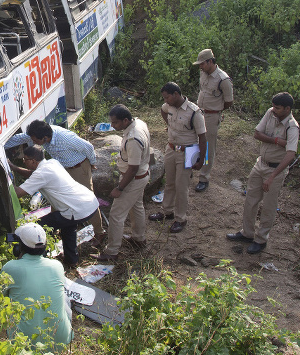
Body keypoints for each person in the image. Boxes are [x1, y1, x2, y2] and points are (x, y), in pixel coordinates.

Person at [6, 120, 104, 240]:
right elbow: (18, 139)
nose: (34, 142)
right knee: (56, 201)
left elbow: (88, 147)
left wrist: (92, 163)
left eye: (36, 141)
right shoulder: (38, 135)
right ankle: (55, 232)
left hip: (78, 166)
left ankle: (99, 232)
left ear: (45, 138)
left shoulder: (66, 138)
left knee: (84, 198)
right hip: (62, 167)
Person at [227, 92, 300, 254]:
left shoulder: (292, 127)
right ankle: (247, 233)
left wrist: (273, 176)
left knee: (269, 206)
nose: (274, 109)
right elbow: (257, 133)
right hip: (260, 164)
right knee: (250, 200)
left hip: (275, 170)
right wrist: (276, 141)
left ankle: (261, 239)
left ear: (287, 109)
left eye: (278, 108)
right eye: (273, 106)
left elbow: (290, 154)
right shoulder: (270, 113)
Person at [14, 146, 100, 266]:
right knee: (68, 227)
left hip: (77, 209)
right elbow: (32, 174)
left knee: (37, 228)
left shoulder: (41, 173)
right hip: (89, 202)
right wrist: (13, 167)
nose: (24, 161)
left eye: (25, 159)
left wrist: (7, 180)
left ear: (33, 161)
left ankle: (39, 262)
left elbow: (17, 193)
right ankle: (71, 260)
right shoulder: (52, 163)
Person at [2, 222, 73, 349]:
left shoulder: (11, 267)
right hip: (59, 343)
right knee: (65, 298)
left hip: (24, 345)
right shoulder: (57, 266)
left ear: (19, 248)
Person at [148, 82, 206, 233]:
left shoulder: (194, 112)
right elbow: (163, 110)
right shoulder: (169, 107)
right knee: (170, 183)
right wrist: (169, 125)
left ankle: (181, 218)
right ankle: (167, 211)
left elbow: (203, 137)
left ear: (175, 94)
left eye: (167, 97)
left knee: (182, 186)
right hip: (171, 149)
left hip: (188, 152)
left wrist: (201, 160)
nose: (165, 100)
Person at [96, 104, 150, 262]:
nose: (112, 126)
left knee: (116, 214)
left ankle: (112, 251)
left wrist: (120, 188)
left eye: (115, 123)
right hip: (142, 175)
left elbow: (133, 168)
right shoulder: (139, 123)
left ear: (125, 120)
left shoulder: (133, 138)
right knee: (136, 206)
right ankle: (139, 239)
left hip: (132, 179)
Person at [193, 49, 233, 193]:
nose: (200, 67)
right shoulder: (203, 73)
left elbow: (229, 101)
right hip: (199, 112)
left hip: (211, 116)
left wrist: (217, 110)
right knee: (194, 140)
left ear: (210, 61)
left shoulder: (223, 80)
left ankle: (204, 178)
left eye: (202, 64)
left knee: (208, 146)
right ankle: (192, 167)